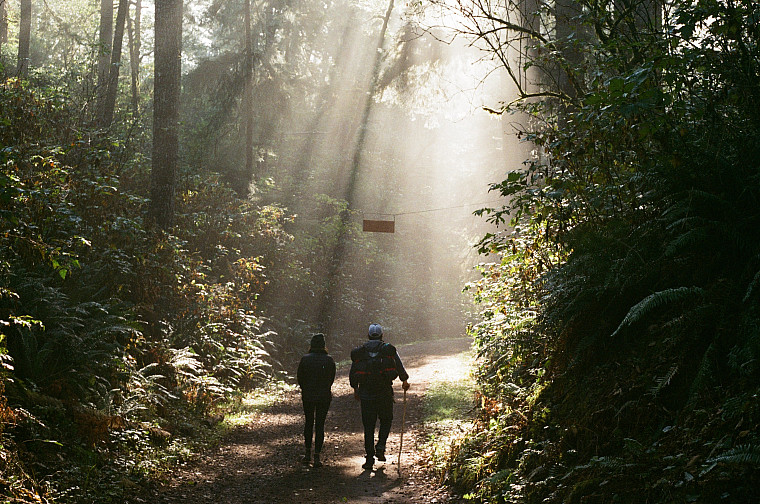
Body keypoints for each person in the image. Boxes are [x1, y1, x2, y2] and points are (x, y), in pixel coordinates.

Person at [349, 323, 410, 471]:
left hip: (366, 395)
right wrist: (405, 380)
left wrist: (356, 389)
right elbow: (399, 366)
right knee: (386, 420)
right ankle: (381, 446)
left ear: (368, 336)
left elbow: (353, 373)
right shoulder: (388, 350)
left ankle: (369, 458)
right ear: (382, 335)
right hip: (384, 393)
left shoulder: (360, 352)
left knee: (368, 427)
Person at [297, 333, 336, 468]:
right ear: (324, 345)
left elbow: (300, 378)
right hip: (324, 396)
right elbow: (331, 378)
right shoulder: (329, 360)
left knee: (309, 423)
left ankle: (307, 454)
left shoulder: (305, 359)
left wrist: (306, 389)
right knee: (320, 424)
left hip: (308, 395)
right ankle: (317, 456)